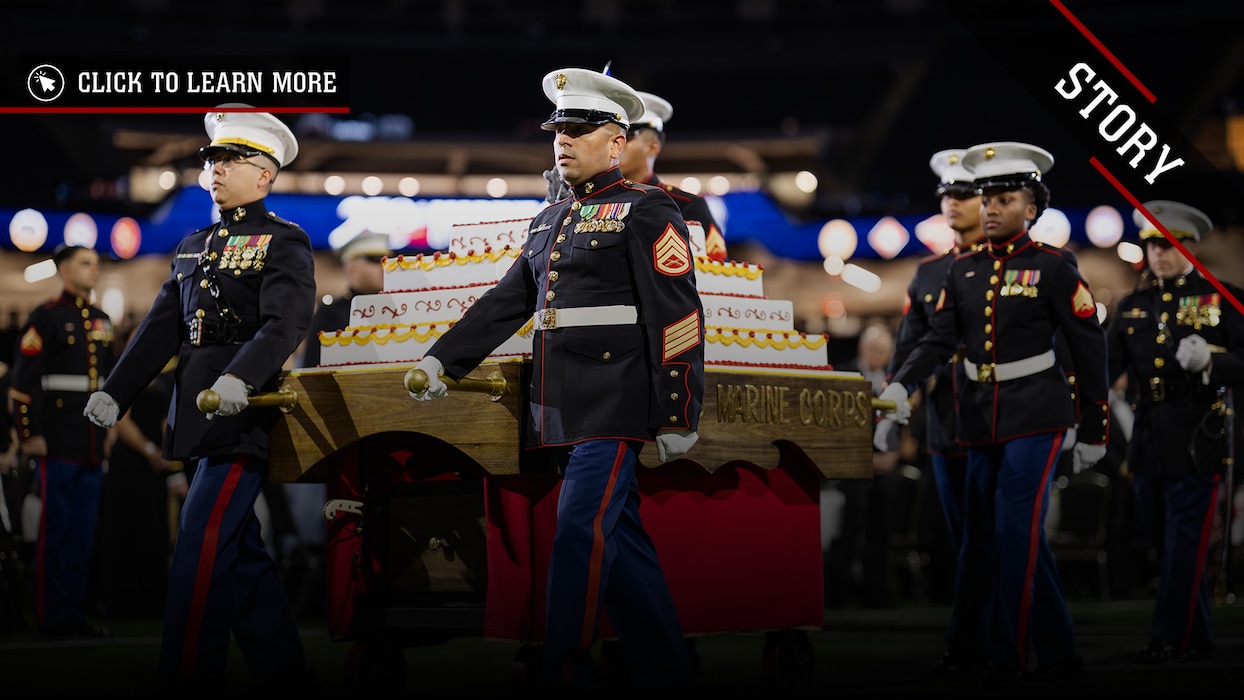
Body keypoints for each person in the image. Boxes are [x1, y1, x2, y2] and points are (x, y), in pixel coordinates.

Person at [407, 67, 703, 688]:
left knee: (577, 529)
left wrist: (679, 410)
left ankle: (560, 663)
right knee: (619, 537)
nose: (561, 140)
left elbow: (677, 314)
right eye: (557, 130)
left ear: (617, 142)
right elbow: (506, 300)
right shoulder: (550, 218)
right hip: (560, 399)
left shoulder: (649, 209)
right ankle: (668, 668)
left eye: (577, 129)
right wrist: (443, 359)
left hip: (617, 397)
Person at [83, 106, 315, 689]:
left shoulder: (285, 241)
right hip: (196, 417)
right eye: (212, 158)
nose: (215, 169)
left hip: (243, 417)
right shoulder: (193, 244)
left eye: (231, 160)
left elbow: (285, 323)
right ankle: (287, 675)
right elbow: (161, 327)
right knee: (242, 562)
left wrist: (242, 378)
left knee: (199, 547)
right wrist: (116, 392)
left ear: (265, 174)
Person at [881, 141, 1109, 681]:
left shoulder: (1053, 267)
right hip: (978, 417)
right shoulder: (961, 272)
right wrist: (901, 385)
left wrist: (1095, 426)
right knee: (988, 536)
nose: (989, 209)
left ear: (1031, 209)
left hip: (1038, 413)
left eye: (1004, 199)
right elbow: (936, 340)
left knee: (1012, 533)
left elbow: (1087, 347)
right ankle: (1055, 653)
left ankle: (1008, 657)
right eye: (986, 199)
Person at [1105, 200, 1244, 663]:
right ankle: (1196, 637)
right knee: (1166, 543)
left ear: (1191, 246)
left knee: (1186, 543)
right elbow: (1106, 368)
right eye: (1152, 245)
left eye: (1169, 245)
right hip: (1149, 436)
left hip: (1197, 433)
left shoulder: (1220, 297)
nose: (1159, 254)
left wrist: (1214, 363)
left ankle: (1169, 636)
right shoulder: (1133, 306)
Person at [878, 149, 989, 673]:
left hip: (1001, 413)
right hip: (947, 419)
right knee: (966, 537)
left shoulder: (1008, 262)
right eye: (945, 194)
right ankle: (977, 637)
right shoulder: (928, 272)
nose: (951, 203)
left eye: (962, 193)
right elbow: (908, 346)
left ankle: (988, 636)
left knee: (1005, 535)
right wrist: (892, 408)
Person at [8, 244, 115, 636]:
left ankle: (73, 614)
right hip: (55, 442)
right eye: (86, 263)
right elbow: (23, 384)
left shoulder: (103, 320)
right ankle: (51, 617)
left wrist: (107, 435)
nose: (95, 269)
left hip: (90, 443)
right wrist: (29, 434)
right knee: (55, 533)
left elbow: (105, 384)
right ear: (65, 271)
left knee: (83, 534)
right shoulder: (46, 317)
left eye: (97, 263)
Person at [618, 89, 727, 261]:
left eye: (628, 137)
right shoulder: (596, 199)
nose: (619, 144)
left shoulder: (686, 206)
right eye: (615, 136)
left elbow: (716, 273)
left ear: (653, 147)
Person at [299, 231, 392, 368]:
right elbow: (312, 368)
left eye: (387, 260)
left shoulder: (397, 307)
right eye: (375, 260)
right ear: (352, 269)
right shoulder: (331, 314)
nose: (385, 267)